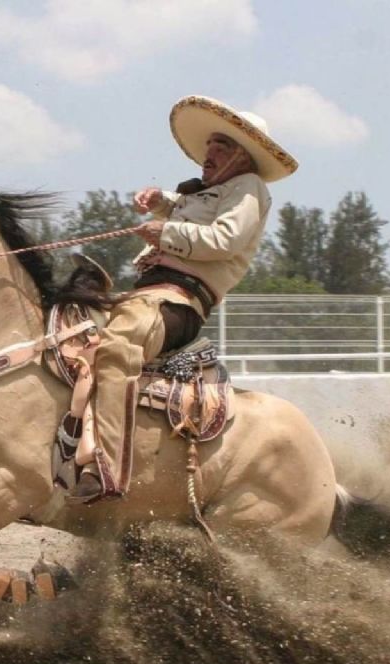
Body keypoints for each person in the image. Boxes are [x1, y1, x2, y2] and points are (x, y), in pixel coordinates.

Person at [69, 95, 298, 503]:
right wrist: (160, 202)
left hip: (177, 304)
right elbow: (185, 206)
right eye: (209, 144)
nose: (209, 153)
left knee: (118, 347)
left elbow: (225, 239)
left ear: (243, 158)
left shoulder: (248, 189)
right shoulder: (211, 192)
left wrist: (165, 232)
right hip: (148, 297)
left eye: (221, 146)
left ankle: (106, 467)